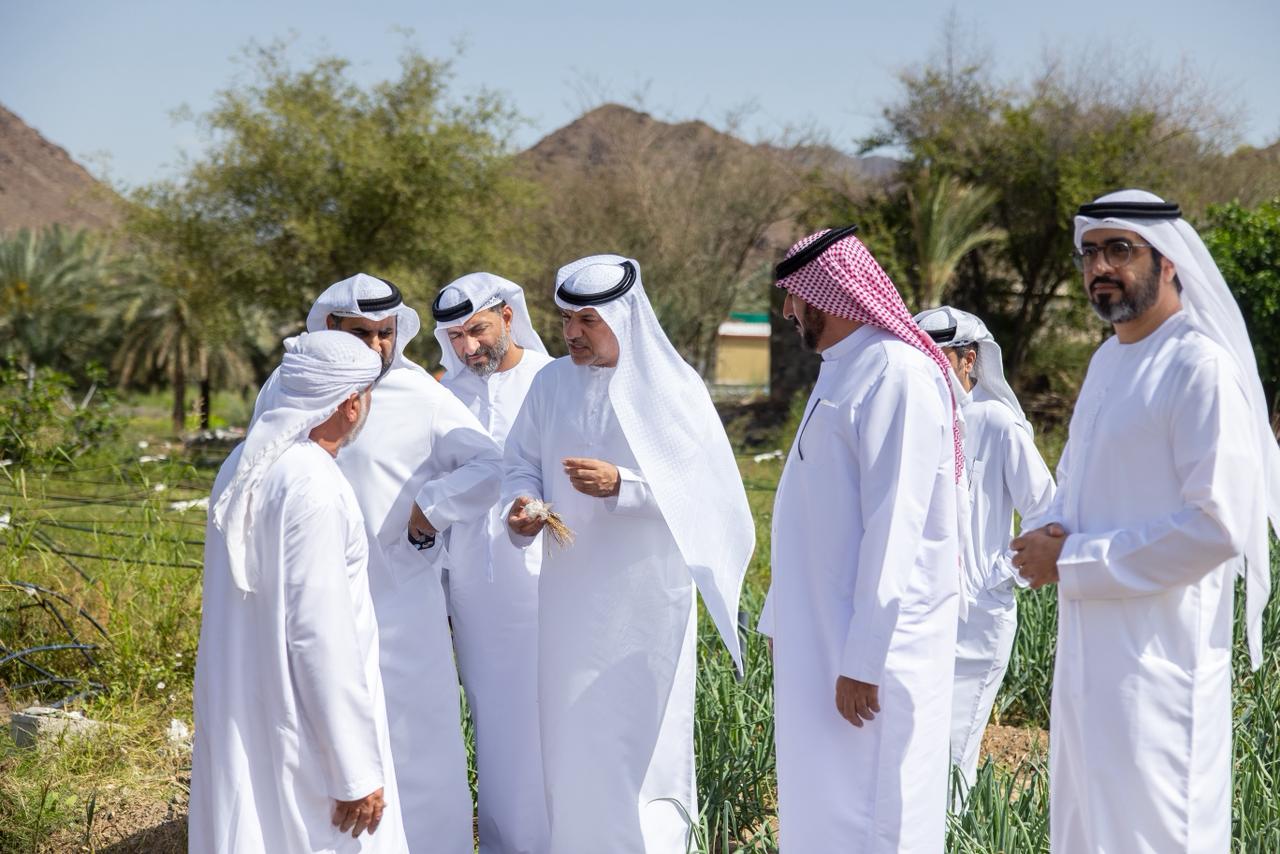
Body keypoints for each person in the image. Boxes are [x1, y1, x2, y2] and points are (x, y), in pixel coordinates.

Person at [1011, 189, 1279, 852]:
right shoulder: (1107, 361)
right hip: (1089, 659)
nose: (1101, 266)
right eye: (1091, 252)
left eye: (1120, 250)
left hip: (1162, 664)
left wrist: (1070, 560)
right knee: (1088, 830)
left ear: (1169, 263)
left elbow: (1218, 526)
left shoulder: (1199, 367)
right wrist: (1047, 531)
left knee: (1155, 835)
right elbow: (1079, 487)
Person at [502, 254, 754, 853]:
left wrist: (626, 485)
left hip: (647, 603)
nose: (571, 334)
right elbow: (520, 460)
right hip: (568, 599)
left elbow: (707, 493)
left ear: (624, 316)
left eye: (587, 319)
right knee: (571, 737)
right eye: (566, 319)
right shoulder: (550, 382)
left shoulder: (671, 388)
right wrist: (524, 501)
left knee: (643, 743)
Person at [252, 274, 503, 853]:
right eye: (360, 333)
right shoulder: (290, 388)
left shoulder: (421, 395)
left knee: (418, 748)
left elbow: (490, 465)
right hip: (307, 600)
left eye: (385, 333)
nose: (375, 347)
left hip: (402, 605)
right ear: (329, 330)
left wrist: (430, 511)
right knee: (317, 738)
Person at [759, 226, 964, 852]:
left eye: (796, 297)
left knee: (876, 808)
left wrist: (864, 659)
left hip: (870, 648)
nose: (791, 312)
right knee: (824, 801)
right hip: (822, 634)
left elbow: (896, 524)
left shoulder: (895, 372)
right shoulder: (842, 369)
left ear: (829, 293)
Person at [191, 330, 408, 853]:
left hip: (252, 708)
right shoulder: (313, 484)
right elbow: (320, 633)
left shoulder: (245, 463)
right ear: (351, 404)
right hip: (309, 735)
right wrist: (353, 771)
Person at [431, 272, 553, 854]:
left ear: (507, 315)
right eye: (453, 337)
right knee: (494, 723)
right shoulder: (443, 395)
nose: (466, 348)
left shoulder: (550, 381)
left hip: (545, 584)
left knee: (546, 721)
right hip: (472, 592)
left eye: (475, 330)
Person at [915, 306, 1056, 793]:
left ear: (969, 360)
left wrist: (1000, 576)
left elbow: (1046, 513)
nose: (931, 368)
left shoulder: (997, 423)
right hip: (920, 613)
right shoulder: (915, 423)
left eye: (941, 357)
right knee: (915, 749)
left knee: (954, 751)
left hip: (979, 618)